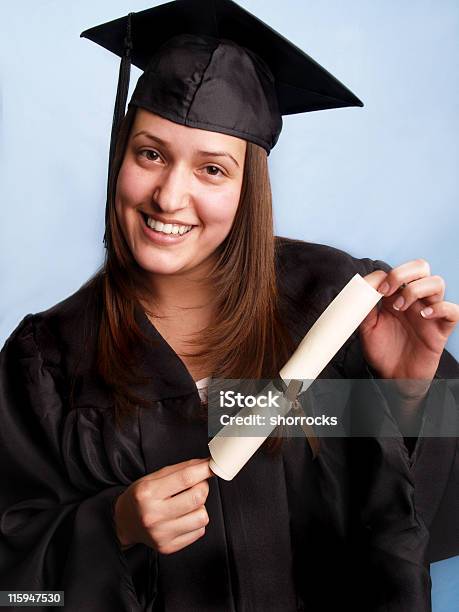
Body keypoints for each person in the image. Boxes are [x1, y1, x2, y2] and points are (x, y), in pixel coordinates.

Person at [0, 1, 458, 611]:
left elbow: (405, 534)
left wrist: (404, 395)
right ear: (121, 156)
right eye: (151, 153)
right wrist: (113, 526)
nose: (170, 196)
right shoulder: (47, 360)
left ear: (249, 188)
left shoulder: (334, 305)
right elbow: (18, 587)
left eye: (212, 169)